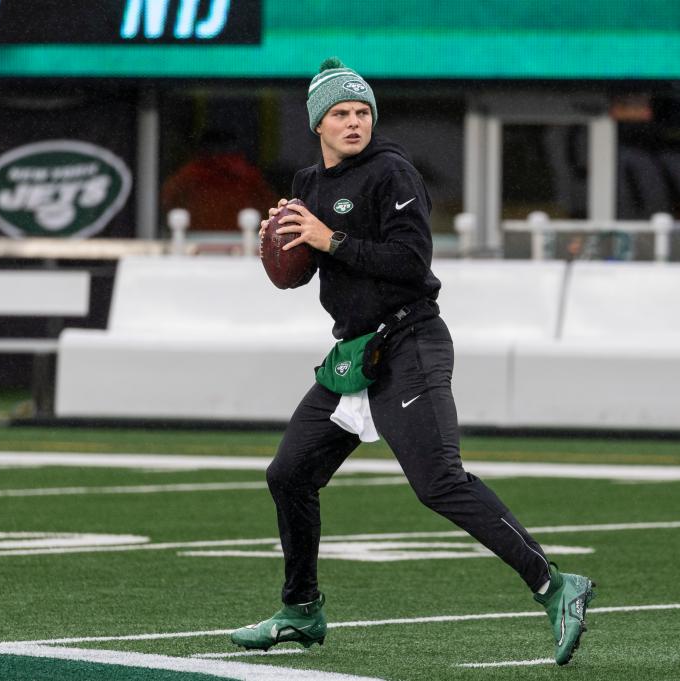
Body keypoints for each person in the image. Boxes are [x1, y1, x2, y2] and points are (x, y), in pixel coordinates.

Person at [229, 58, 595, 666]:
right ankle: (301, 608)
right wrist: (282, 246)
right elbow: (295, 277)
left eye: (362, 112)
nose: (353, 122)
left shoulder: (392, 172)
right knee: (288, 472)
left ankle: (556, 585)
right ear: (316, 123)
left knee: (438, 482)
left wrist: (329, 239)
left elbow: (410, 263)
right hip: (353, 355)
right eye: (341, 113)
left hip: (410, 342)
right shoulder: (307, 183)